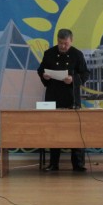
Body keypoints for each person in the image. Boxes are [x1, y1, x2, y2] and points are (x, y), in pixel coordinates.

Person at [37, 28, 90, 172]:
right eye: (60, 43)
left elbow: (85, 74)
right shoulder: (49, 53)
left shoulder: (77, 54)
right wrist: (44, 75)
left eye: (65, 43)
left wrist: (73, 79)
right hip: (53, 96)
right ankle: (53, 164)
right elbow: (40, 70)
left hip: (71, 97)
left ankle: (78, 165)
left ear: (71, 41)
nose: (62, 46)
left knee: (75, 130)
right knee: (54, 130)